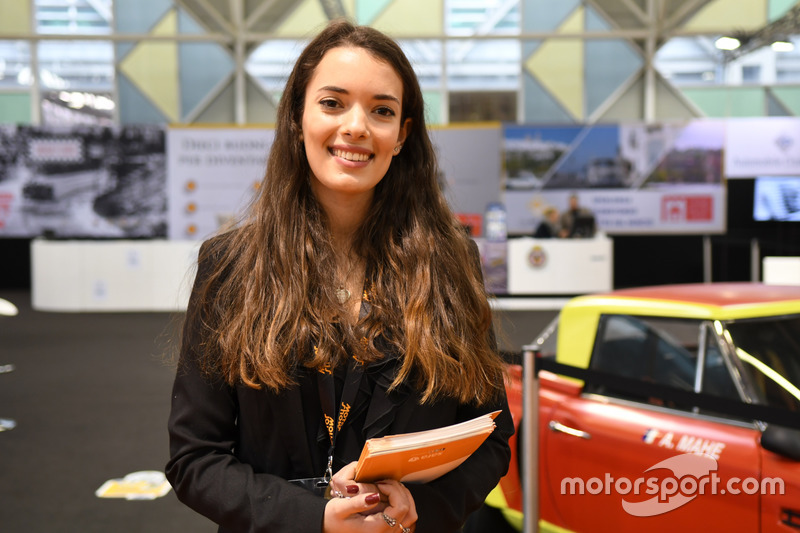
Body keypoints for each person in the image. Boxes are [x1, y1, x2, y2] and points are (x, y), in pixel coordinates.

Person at [166, 19, 513, 533]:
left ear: (402, 136)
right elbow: (194, 459)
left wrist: (421, 510)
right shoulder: (232, 266)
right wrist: (315, 519)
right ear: (296, 118)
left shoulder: (449, 262)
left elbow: (491, 437)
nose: (356, 126)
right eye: (333, 103)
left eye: (382, 111)